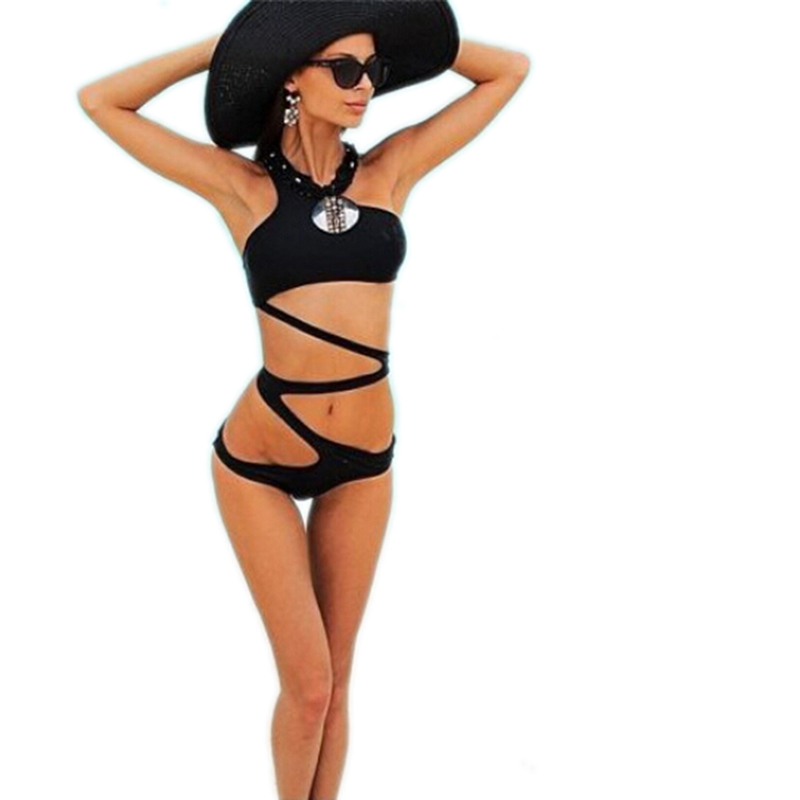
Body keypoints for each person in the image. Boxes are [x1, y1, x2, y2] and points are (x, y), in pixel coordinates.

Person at [78, 1, 529, 797]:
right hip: (260, 458)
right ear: (294, 76)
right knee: (309, 685)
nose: (365, 87)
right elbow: (102, 101)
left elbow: (509, 71)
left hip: (365, 463)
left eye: (375, 71)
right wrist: (231, 47)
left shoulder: (391, 169)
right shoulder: (244, 189)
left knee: (339, 682)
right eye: (345, 69)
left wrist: (403, 29)